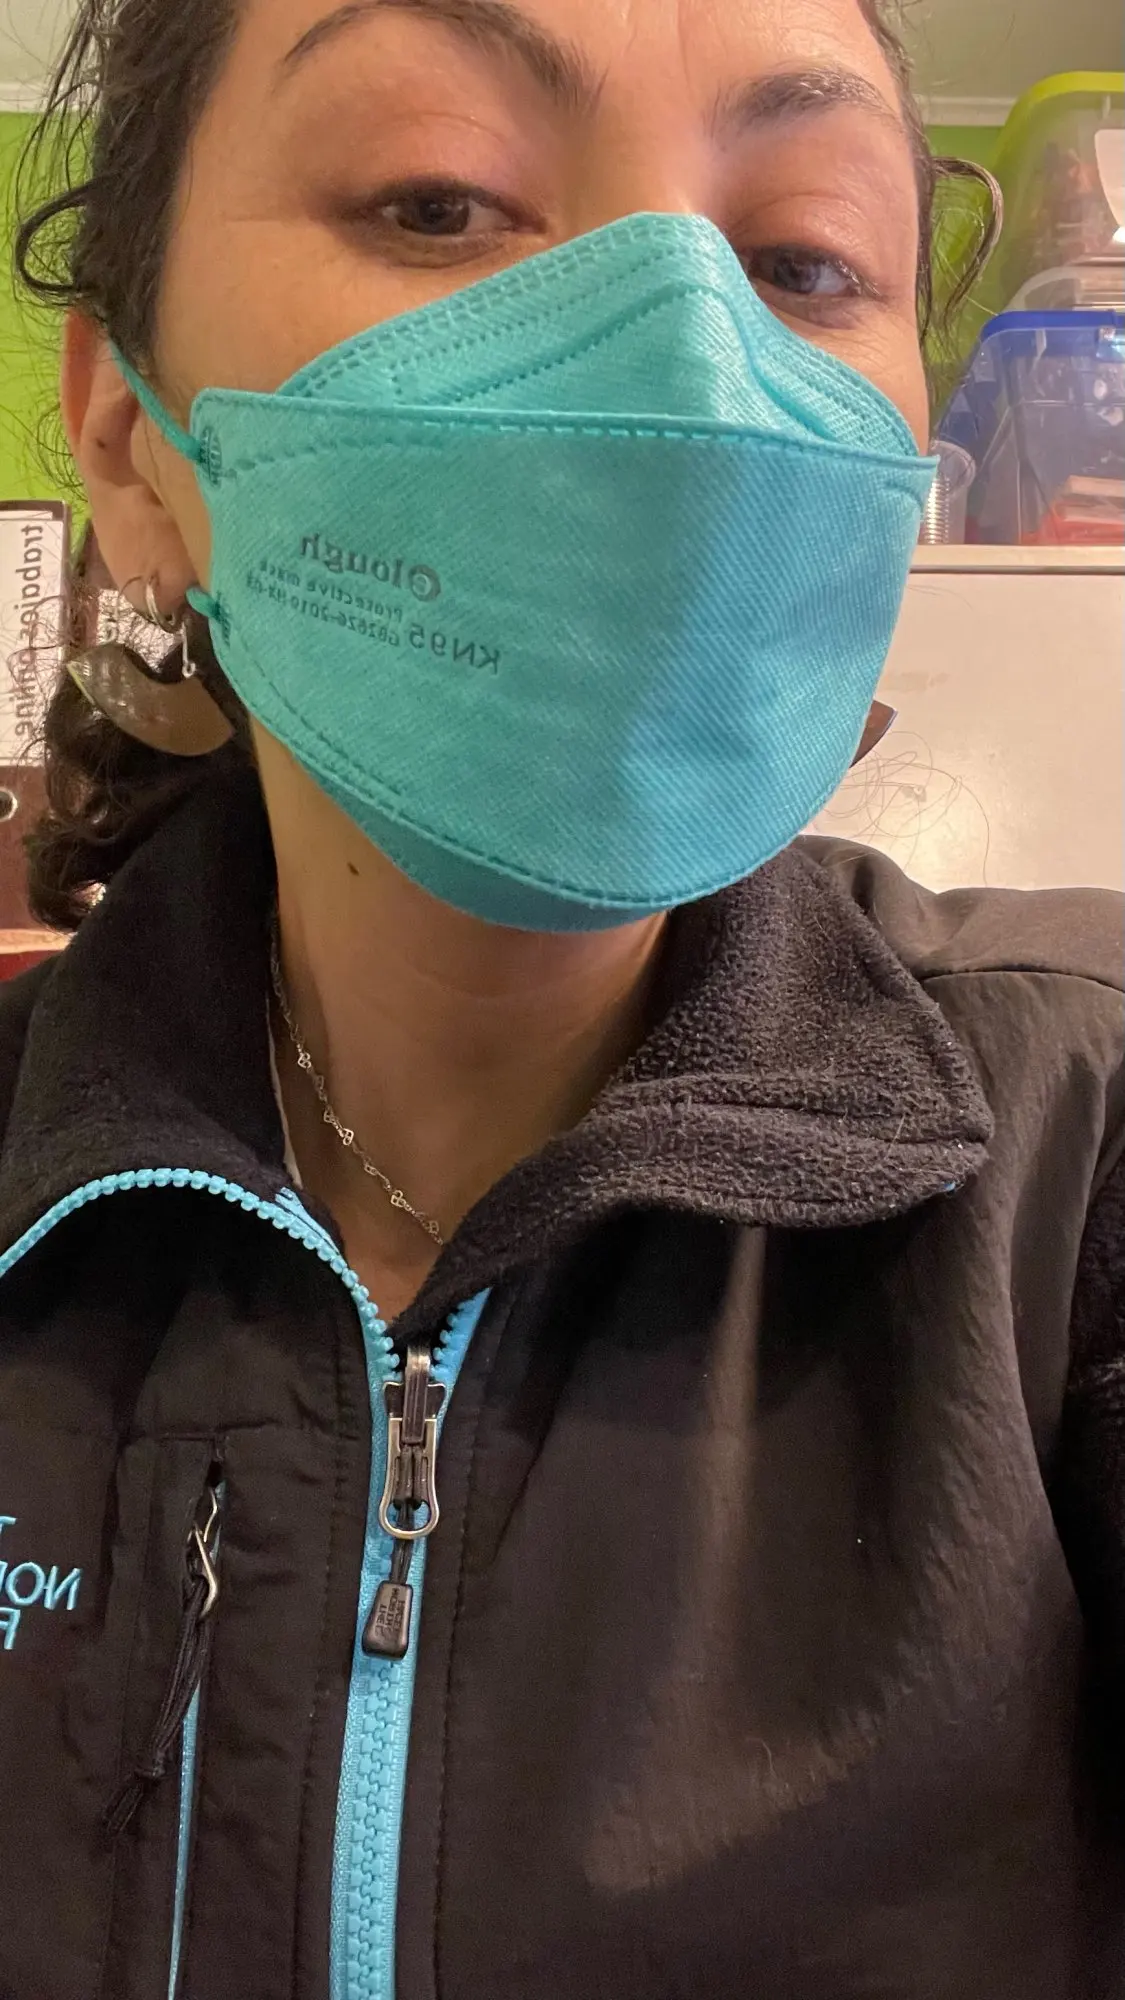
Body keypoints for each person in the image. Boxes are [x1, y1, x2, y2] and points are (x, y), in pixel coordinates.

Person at [1, 0, 1122, 1994]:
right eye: (440, 200)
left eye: (802, 261)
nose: (683, 364)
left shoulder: (1089, 1133)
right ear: (131, 444)